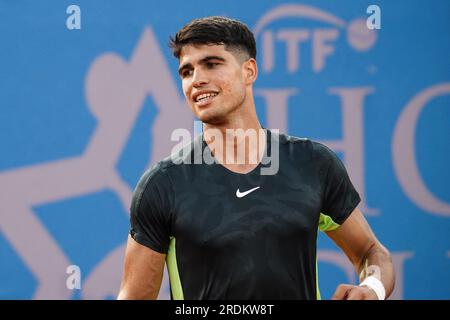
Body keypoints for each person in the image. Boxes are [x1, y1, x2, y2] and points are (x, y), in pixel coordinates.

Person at [117, 16, 395, 300]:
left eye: (212, 64)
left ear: (249, 71)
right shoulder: (163, 185)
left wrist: (371, 288)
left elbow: (371, 253)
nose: (196, 80)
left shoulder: (313, 164)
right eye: (186, 72)